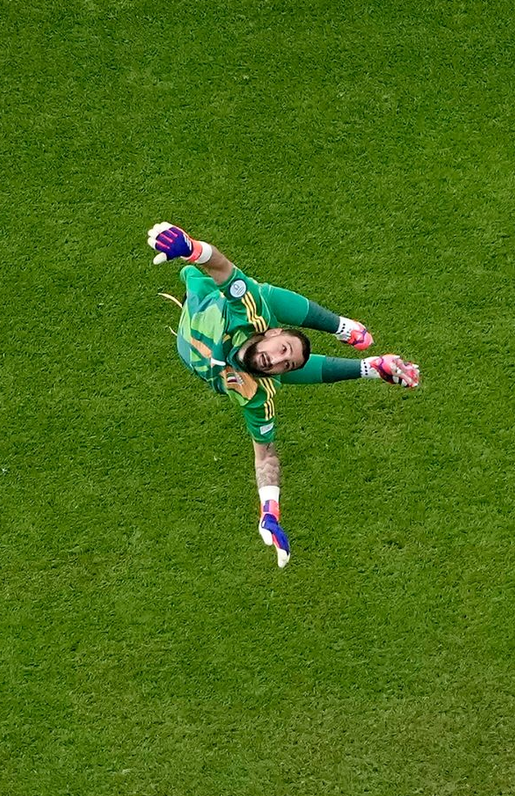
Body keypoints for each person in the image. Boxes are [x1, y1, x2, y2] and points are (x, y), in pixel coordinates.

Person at [147, 221, 420, 568]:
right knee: (256, 294)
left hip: (196, 343)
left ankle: (368, 367)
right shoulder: (249, 313)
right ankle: (341, 326)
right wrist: (190, 247)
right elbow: (221, 267)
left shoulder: (257, 394)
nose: (275, 359)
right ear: (271, 332)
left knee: (268, 367)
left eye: (283, 365)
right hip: (207, 296)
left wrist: (269, 511)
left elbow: (266, 456)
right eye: (282, 348)